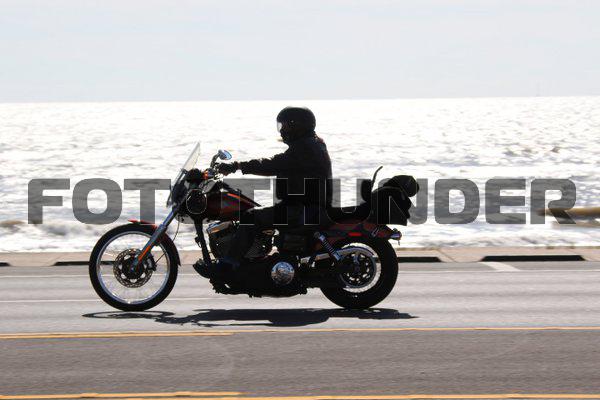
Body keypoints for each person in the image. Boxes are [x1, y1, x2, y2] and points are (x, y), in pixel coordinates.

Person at [213, 106, 332, 273]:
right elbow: (280, 164)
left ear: (297, 125)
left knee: (250, 217)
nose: (282, 130)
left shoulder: (305, 148)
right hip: (306, 206)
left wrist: (237, 166)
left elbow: (272, 164)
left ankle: (227, 266)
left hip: (302, 209)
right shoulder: (313, 143)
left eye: (285, 126)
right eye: (280, 126)